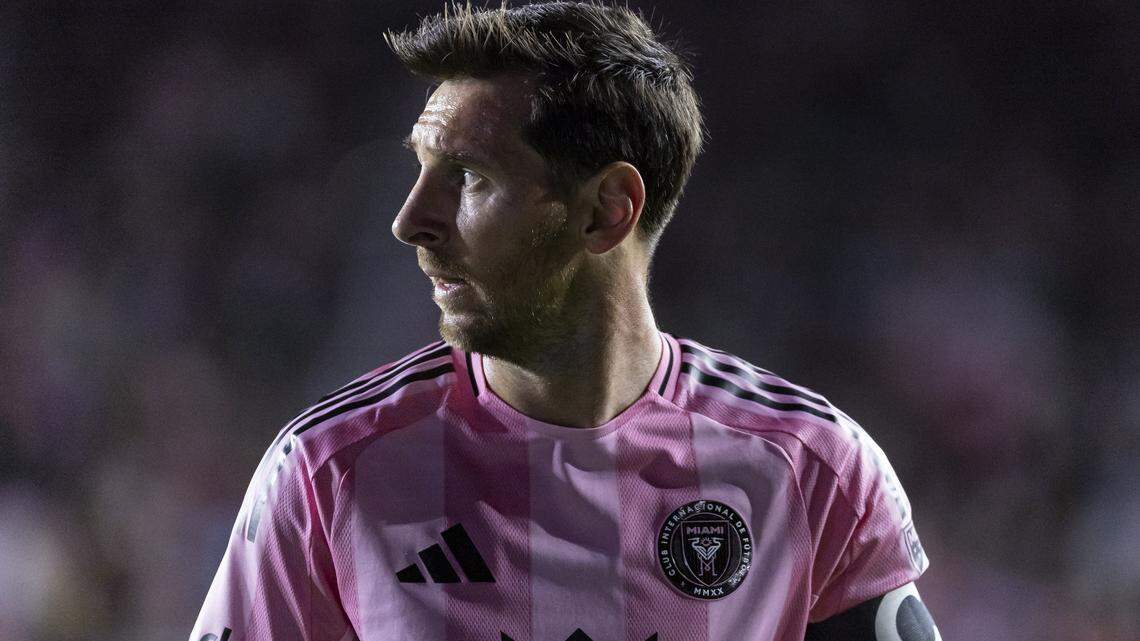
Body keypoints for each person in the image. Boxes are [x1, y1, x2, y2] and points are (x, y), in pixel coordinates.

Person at [190, 2, 940, 640]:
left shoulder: (813, 470)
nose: (410, 220)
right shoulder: (327, 473)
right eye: (419, 169)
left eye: (471, 178)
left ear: (608, 211)